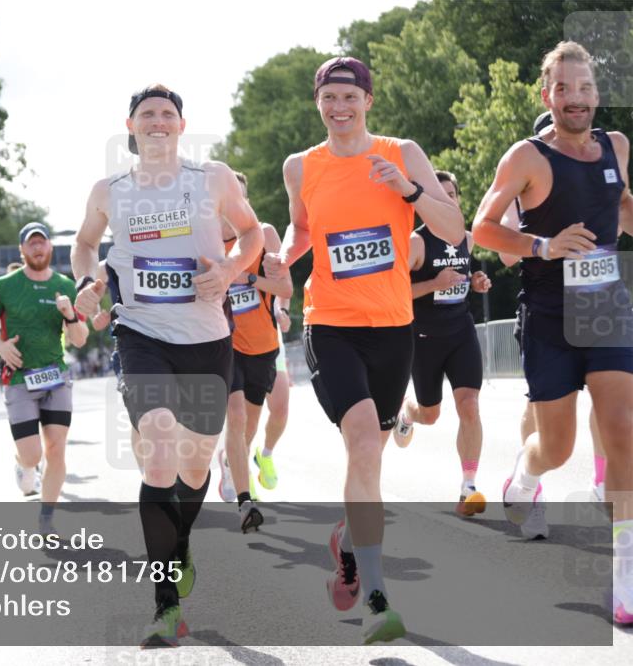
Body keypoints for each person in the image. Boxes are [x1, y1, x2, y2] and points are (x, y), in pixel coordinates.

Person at [263, 56, 465, 643]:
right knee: (360, 442)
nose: (339, 108)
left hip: (393, 324)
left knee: (371, 456)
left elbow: (452, 230)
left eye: (350, 96)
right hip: (330, 322)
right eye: (329, 98)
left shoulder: (403, 152)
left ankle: (347, 545)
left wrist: (406, 191)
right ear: (318, 103)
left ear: (368, 101)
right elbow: (302, 230)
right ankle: (377, 596)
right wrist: (284, 261)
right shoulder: (301, 166)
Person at [72, 84, 262, 648]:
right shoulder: (110, 191)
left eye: (167, 114)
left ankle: (178, 547)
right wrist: (88, 280)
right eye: (147, 114)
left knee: (198, 463)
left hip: (206, 337)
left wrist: (229, 271)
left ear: (182, 125)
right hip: (141, 333)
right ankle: (164, 604)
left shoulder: (213, 178)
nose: (158, 121)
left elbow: (251, 234)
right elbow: (84, 245)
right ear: (130, 126)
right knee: (157, 448)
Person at [470, 42, 633, 625]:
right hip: (549, 315)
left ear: (596, 92)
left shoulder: (616, 147)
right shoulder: (527, 157)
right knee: (558, 445)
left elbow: (621, 206)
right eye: (563, 89)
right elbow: (483, 229)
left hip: (608, 305)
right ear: (548, 96)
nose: (576, 99)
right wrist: (542, 244)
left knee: (621, 429)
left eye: (585, 88)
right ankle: (526, 475)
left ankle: (625, 572)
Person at [501, 110, 609, 518]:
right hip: (546, 315)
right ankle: (531, 489)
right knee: (545, 421)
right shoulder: (525, 183)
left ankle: (602, 483)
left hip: (597, 307)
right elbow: (506, 253)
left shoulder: (600, 173)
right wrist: (547, 243)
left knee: (610, 399)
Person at [0, 222, 89, 535]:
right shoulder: (6, 285)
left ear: (50, 247)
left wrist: (69, 315)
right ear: (23, 249)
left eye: (42, 243)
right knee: (32, 454)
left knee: (56, 450)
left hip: (55, 377)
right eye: (31, 244)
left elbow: (79, 338)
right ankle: (23, 464)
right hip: (19, 379)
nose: (37, 249)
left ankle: (47, 518)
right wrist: (0, 347)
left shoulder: (66, 286)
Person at [391, 170, 492, 518]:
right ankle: (408, 412)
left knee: (470, 405)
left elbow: (464, 278)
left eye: (453, 195)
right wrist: (434, 283)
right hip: (424, 337)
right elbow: (394, 291)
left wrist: (477, 281)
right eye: (441, 195)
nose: (448, 201)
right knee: (430, 415)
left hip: (461, 331)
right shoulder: (416, 243)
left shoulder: (467, 238)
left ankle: (468, 487)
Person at [216, 171, 293, 534]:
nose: (235, 207)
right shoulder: (207, 240)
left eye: (241, 199)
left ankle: (237, 463)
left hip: (264, 344)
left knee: (250, 422)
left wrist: (249, 279)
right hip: (226, 343)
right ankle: (245, 499)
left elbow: (286, 288)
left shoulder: (264, 234)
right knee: (235, 415)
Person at [252, 295, 294, 492]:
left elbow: (283, 289)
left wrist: (281, 310)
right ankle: (239, 474)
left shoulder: (270, 262)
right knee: (243, 419)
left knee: (280, 410)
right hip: (234, 343)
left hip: (270, 341)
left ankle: (265, 455)